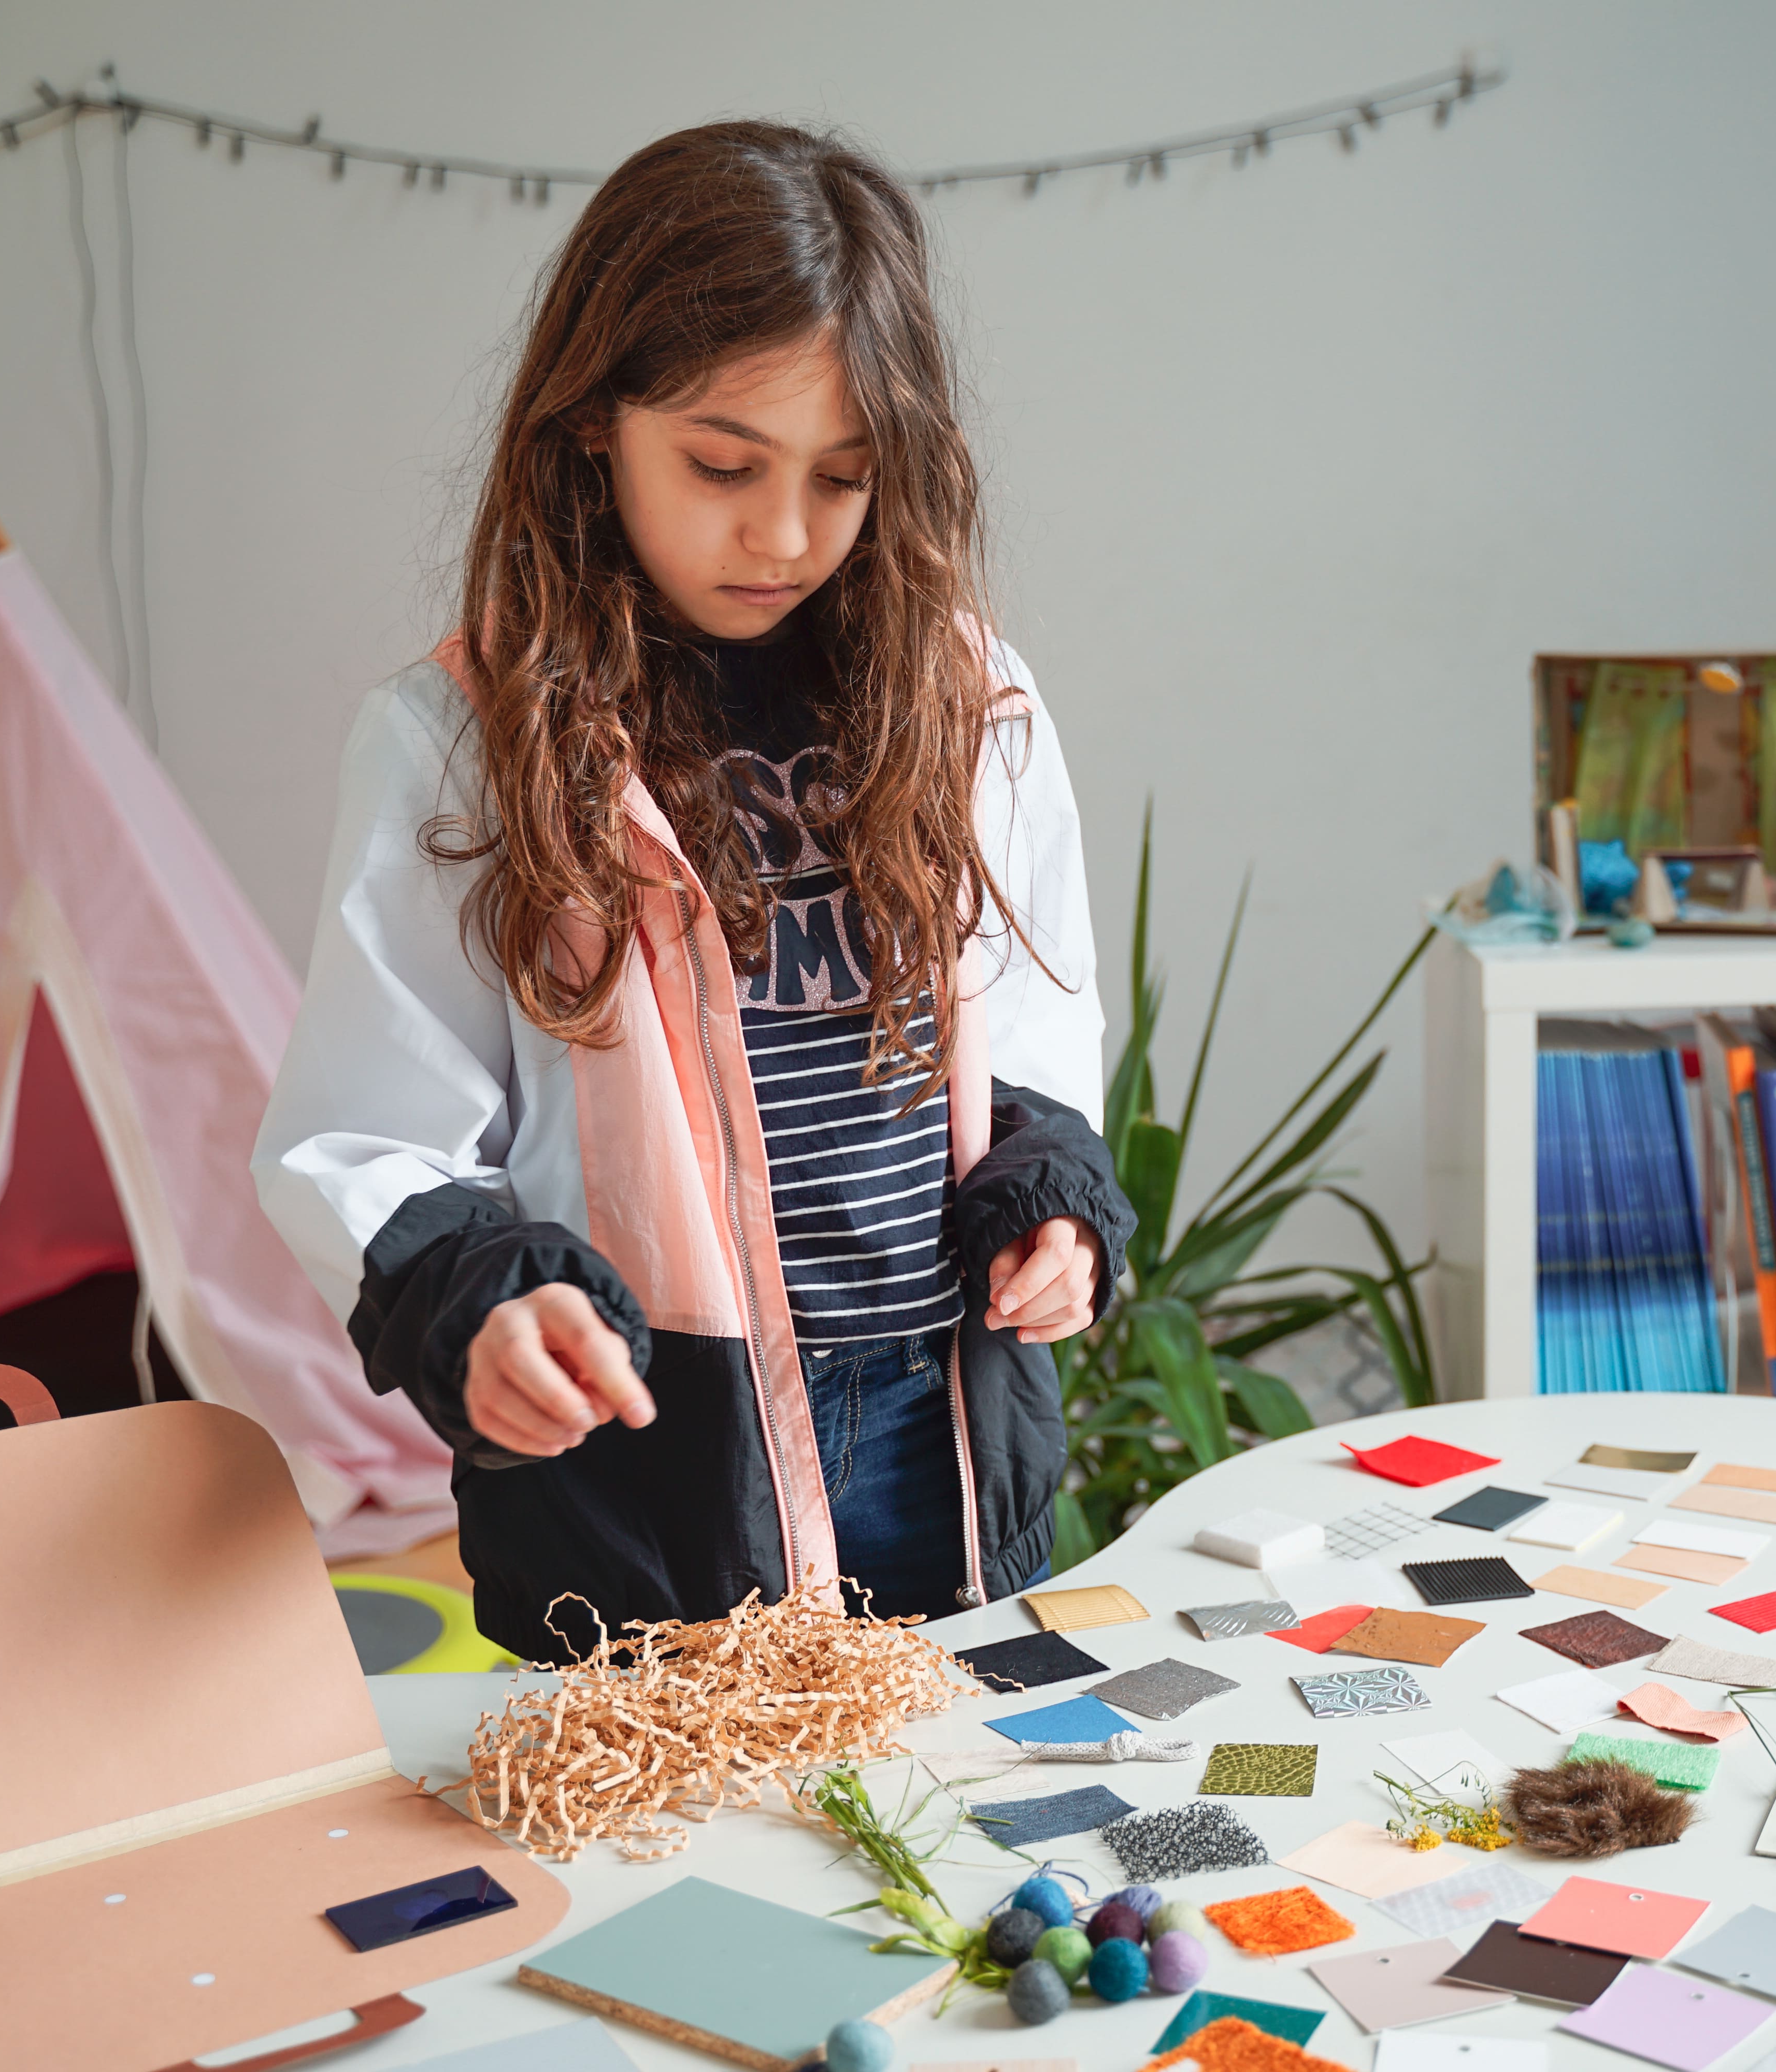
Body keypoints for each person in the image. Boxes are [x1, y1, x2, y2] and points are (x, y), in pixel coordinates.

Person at [254, 121, 1130, 1658]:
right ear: (596, 420)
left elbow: (1041, 1021)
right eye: (722, 465)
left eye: (843, 480)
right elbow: (371, 1126)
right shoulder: (463, 741)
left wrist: (1048, 1207)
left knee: (948, 1851)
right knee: (664, 1868)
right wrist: (486, 1306)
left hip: (947, 1428)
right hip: (645, 1458)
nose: (783, 535)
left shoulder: (969, 697)